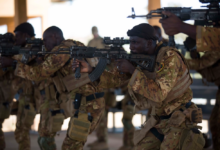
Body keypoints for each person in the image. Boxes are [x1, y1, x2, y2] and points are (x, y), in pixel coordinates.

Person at [72, 23, 205, 150]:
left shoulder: (169, 57)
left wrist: (132, 70)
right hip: (160, 119)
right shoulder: (139, 58)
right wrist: (90, 69)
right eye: (130, 42)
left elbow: (158, 94)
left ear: (148, 42)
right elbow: (114, 80)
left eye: (135, 42)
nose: (131, 47)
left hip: (180, 119)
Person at [14, 26, 105, 150]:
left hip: (89, 104)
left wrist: (14, 64)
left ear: (54, 36)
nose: (44, 44)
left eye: (45, 40)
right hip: (88, 102)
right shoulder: (73, 45)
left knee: (71, 146)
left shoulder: (61, 52)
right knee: (72, 145)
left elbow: (37, 74)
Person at [186, 50, 220, 149]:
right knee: (214, 125)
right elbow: (210, 75)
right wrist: (196, 57)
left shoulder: (216, 49)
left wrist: (176, 60)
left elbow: (201, 64)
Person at [11, 22, 37, 150]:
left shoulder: (34, 46)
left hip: (32, 98)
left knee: (23, 131)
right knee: (20, 131)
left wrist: (11, 57)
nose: (16, 39)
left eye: (18, 36)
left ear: (26, 35)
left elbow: (25, 59)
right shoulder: (24, 47)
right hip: (25, 96)